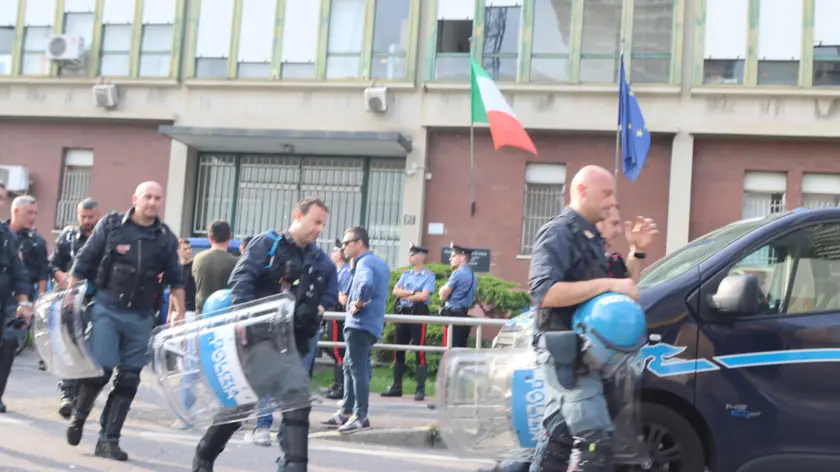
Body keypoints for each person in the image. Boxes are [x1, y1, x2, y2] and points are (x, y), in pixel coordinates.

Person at [191, 197, 337, 472]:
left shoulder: (319, 259)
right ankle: (204, 455)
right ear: (298, 215)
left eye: (323, 225)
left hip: (292, 345)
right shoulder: (268, 245)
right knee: (242, 405)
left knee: (296, 405)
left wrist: (318, 306)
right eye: (316, 222)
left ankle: (293, 466)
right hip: (259, 340)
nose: (320, 229)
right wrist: (242, 318)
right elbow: (241, 279)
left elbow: (331, 286)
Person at [525, 165, 646, 472]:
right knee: (596, 443)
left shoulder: (590, 237)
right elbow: (544, 293)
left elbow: (623, 290)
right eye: (606, 193)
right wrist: (608, 284)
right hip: (567, 353)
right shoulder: (558, 233)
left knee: (558, 439)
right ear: (582, 190)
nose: (611, 201)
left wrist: (635, 255)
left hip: (587, 353)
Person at [64, 181, 186, 462]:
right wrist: (70, 296)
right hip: (107, 307)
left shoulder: (165, 237)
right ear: (135, 198)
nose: (152, 202)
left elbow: (176, 279)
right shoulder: (112, 225)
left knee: (129, 379)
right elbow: (84, 260)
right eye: (147, 196)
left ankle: (108, 439)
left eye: (157, 197)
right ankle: (79, 415)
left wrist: (178, 312)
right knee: (101, 371)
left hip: (142, 316)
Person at [321, 226, 390, 433]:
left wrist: (358, 303)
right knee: (351, 366)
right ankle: (346, 411)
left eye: (346, 243)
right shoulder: (379, 263)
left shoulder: (364, 263)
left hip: (359, 324)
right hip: (370, 324)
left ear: (359, 243)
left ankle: (360, 415)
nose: (343, 247)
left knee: (356, 368)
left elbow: (366, 284)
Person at [49, 197, 100, 419]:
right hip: (69, 301)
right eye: (83, 217)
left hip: (95, 301)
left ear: (97, 215)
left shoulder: (103, 238)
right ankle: (66, 395)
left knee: (89, 349)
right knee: (69, 346)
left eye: (91, 217)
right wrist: (60, 274)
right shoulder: (68, 237)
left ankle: (80, 394)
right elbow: (53, 263)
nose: (87, 221)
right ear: (78, 215)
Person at [382, 243, 436, 401]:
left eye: (412, 254)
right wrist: (412, 292)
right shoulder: (406, 274)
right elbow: (395, 291)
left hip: (418, 314)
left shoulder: (428, 275)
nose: (409, 257)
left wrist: (406, 296)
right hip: (403, 314)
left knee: (419, 350)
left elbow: (424, 296)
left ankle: (420, 389)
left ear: (420, 257)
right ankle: (396, 387)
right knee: (399, 349)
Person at [0, 189, 35, 413]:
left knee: (9, 344)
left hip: (4, 302)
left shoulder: (6, 234)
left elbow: (19, 272)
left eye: (1, 198)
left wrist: (25, 303)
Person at [5, 196, 49, 370]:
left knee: (9, 345)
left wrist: (40, 300)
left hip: (20, 300)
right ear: (16, 211)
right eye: (29, 212)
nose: (33, 217)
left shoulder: (37, 242)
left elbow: (43, 273)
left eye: (35, 213)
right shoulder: (3, 234)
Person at [322, 238, 352, 400]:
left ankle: (341, 386)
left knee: (337, 350)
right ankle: (337, 383)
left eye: (334, 251)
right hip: (331, 312)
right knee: (333, 349)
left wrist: (335, 294)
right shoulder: (336, 271)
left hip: (338, 313)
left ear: (340, 254)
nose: (331, 254)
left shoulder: (345, 272)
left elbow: (343, 298)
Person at [193, 220, 238, 314]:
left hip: (201, 316)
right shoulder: (236, 262)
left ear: (209, 237)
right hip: (225, 316)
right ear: (230, 236)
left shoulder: (198, 259)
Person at [439, 242, 478, 348]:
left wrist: (442, 288)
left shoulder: (457, 273)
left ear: (462, 257)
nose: (450, 259)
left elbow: (442, 295)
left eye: (453, 256)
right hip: (464, 316)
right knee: (460, 350)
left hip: (453, 316)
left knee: (449, 350)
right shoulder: (474, 276)